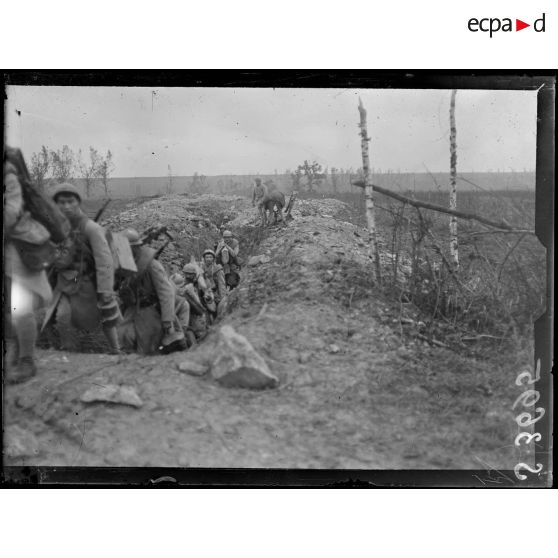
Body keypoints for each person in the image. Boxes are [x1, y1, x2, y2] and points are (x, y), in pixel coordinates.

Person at [50, 183, 121, 353]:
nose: (66, 206)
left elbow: (105, 262)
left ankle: (117, 351)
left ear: (78, 202)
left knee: (107, 318)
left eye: (70, 201)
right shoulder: (58, 228)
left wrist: (105, 290)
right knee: (62, 316)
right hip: (65, 283)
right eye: (61, 202)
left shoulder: (91, 228)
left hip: (89, 285)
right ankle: (68, 351)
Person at [4, 148, 54, 383]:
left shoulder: (9, 177)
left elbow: (10, 213)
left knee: (20, 308)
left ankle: (27, 360)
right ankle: (16, 351)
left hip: (18, 251)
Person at [116, 229, 187, 354]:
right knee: (124, 337)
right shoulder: (126, 265)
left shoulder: (152, 265)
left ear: (136, 248)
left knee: (147, 348)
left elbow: (166, 292)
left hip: (150, 311)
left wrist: (167, 320)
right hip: (131, 309)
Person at [200, 249, 227, 320]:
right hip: (202, 291)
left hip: (214, 292)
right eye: (207, 257)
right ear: (204, 258)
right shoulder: (200, 268)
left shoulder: (217, 269)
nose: (208, 259)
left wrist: (222, 297)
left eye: (210, 257)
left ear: (213, 258)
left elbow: (222, 284)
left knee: (216, 308)